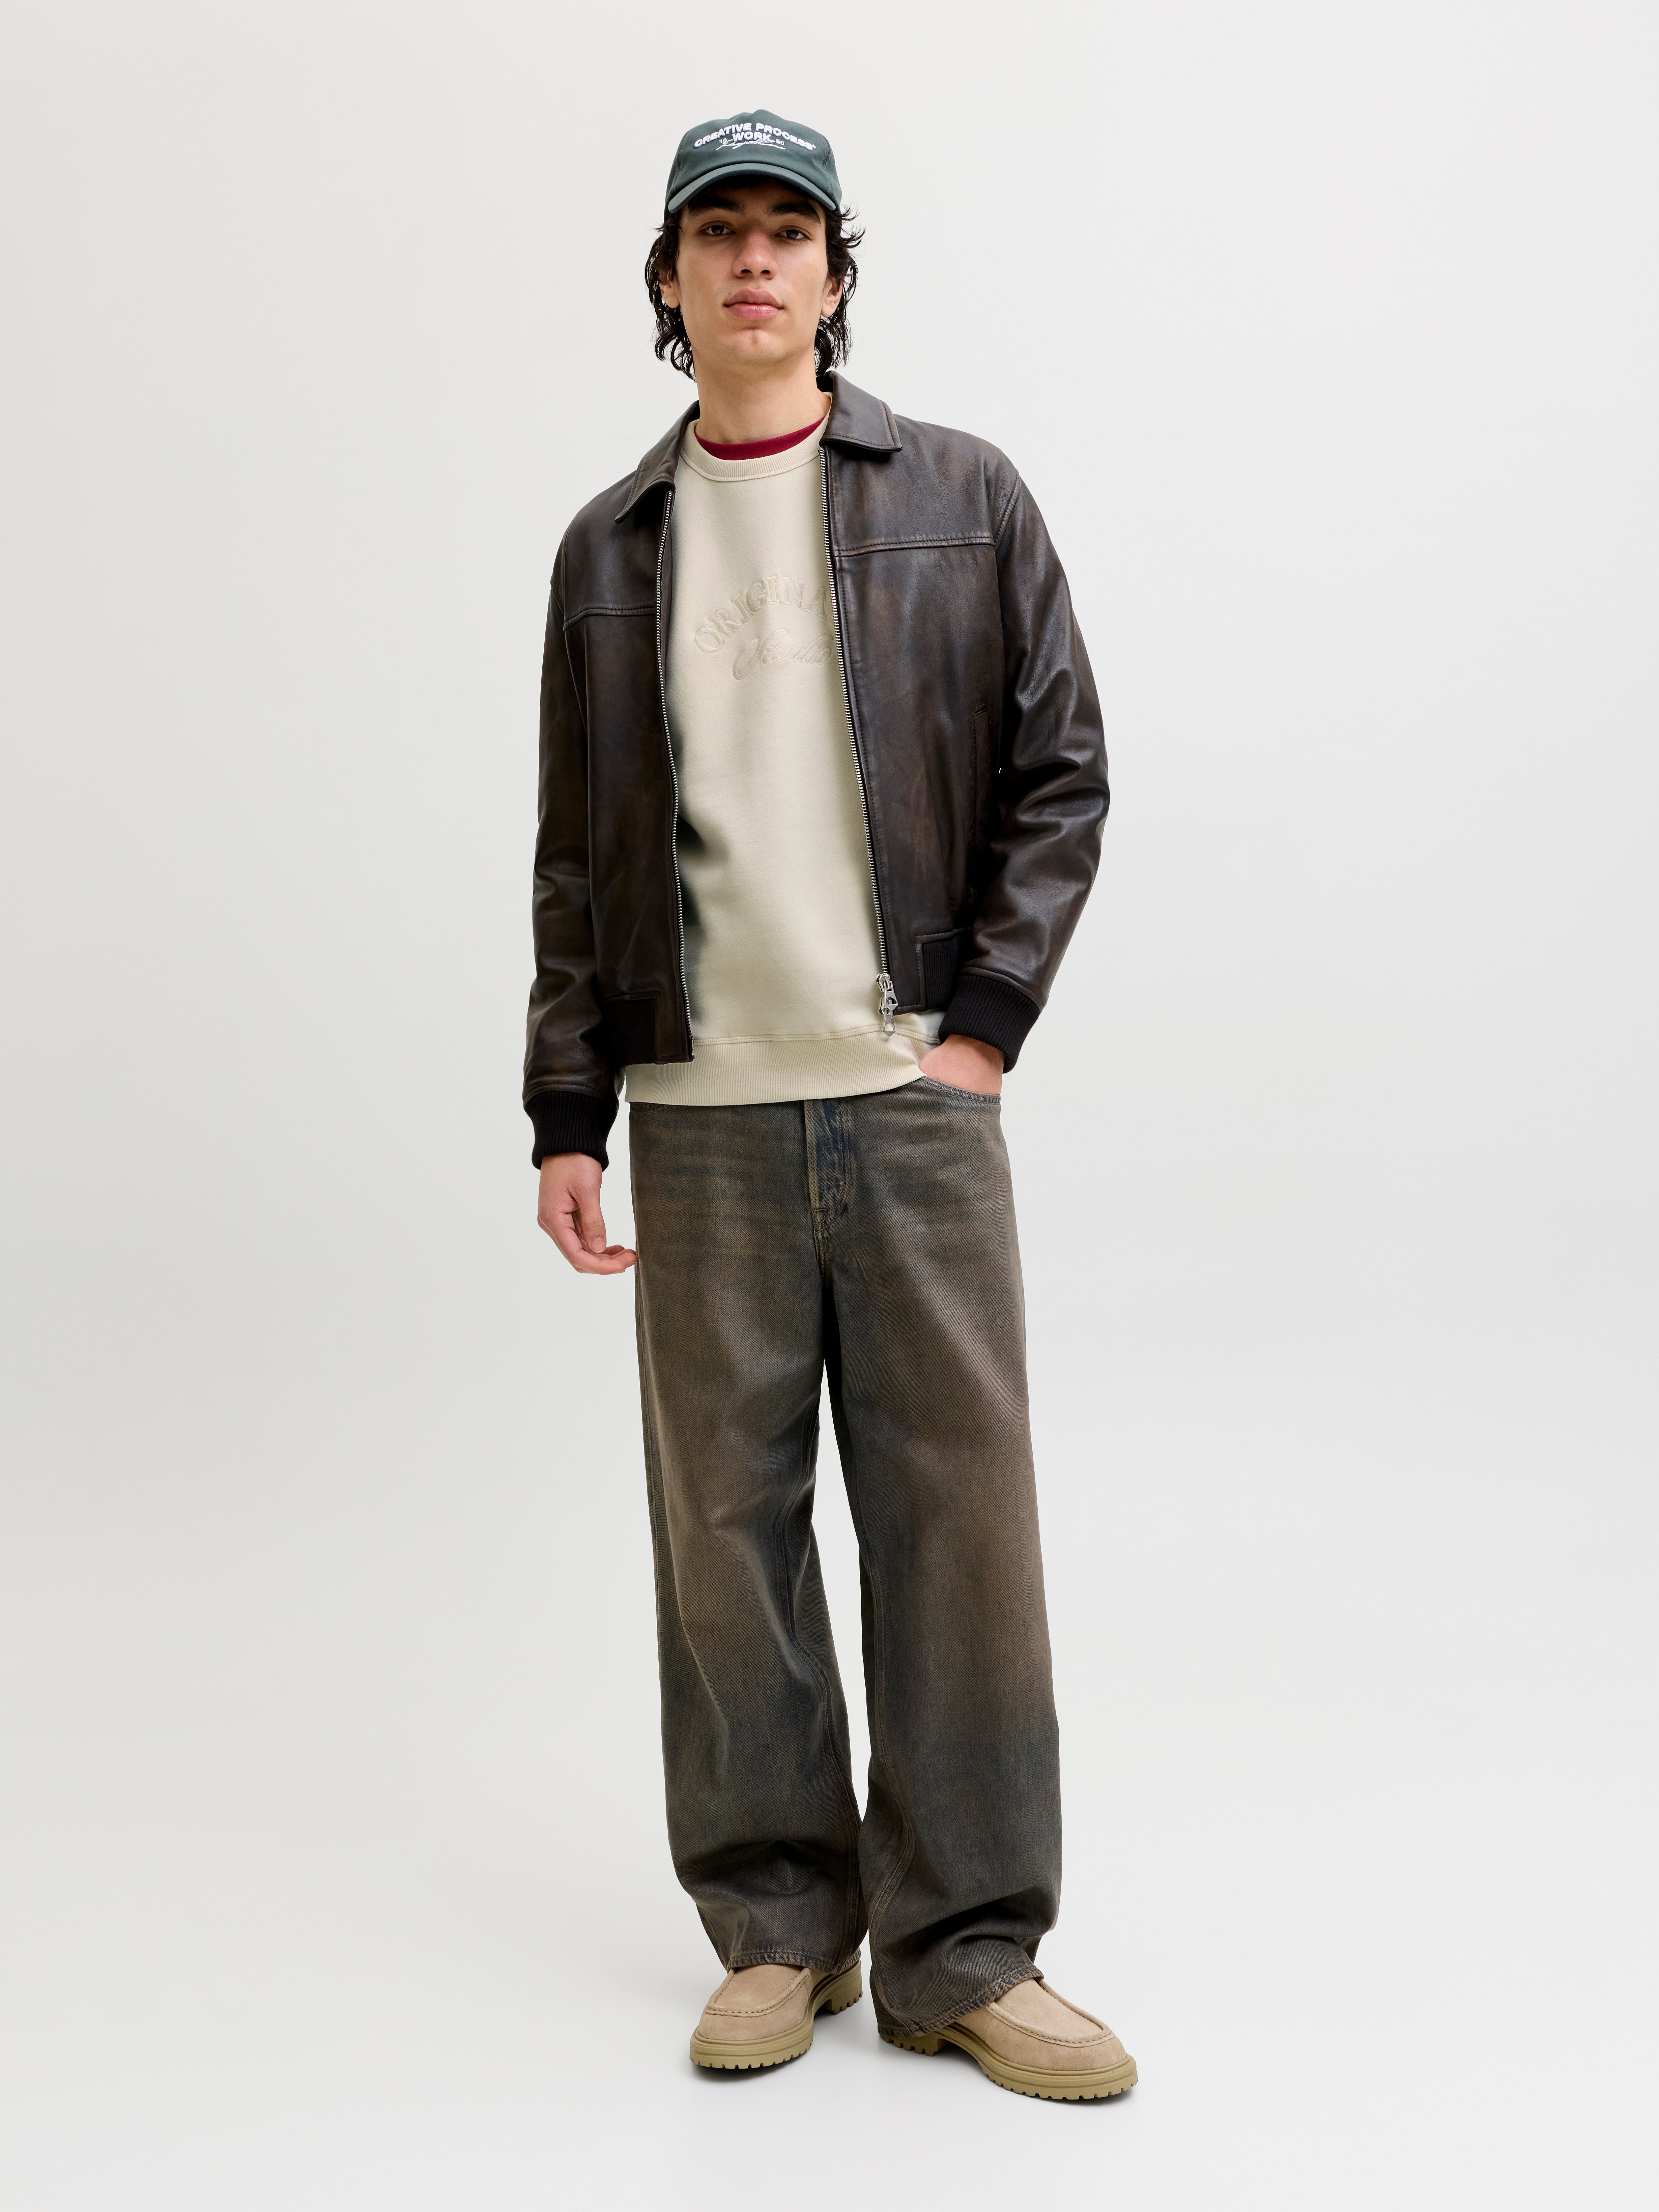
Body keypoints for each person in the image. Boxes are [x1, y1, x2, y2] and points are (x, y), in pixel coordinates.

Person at [525, 109, 1135, 2102]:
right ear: (670, 279)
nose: (754, 262)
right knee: (725, 1534)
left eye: (788, 230)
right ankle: (782, 1928)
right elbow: (573, 856)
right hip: (699, 1108)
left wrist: (983, 1028)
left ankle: (969, 1950)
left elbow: (1061, 768)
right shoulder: (609, 548)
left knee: (958, 1526)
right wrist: (567, 1108)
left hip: (912, 1100)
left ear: (834, 272)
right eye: (718, 233)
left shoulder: (962, 494)